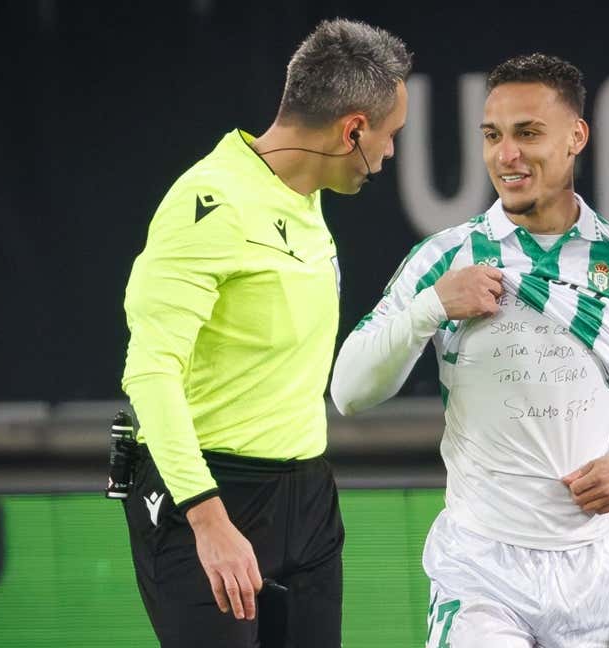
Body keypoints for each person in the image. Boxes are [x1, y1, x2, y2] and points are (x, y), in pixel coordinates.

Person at [330, 53, 609, 648]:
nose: (506, 155)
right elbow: (349, 391)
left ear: (577, 137)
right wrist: (431, 307)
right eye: (492, 136)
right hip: (479, 563)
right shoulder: (446, 257)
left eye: (528, 134)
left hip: (588, 571)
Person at [119, 18, 410, 647]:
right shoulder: (209, 201)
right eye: (389, 138)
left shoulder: (309, 200)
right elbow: (150, 371)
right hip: (211, 496)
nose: (388, 156)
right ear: (352, 130)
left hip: (306, 499)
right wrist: (207, 517)